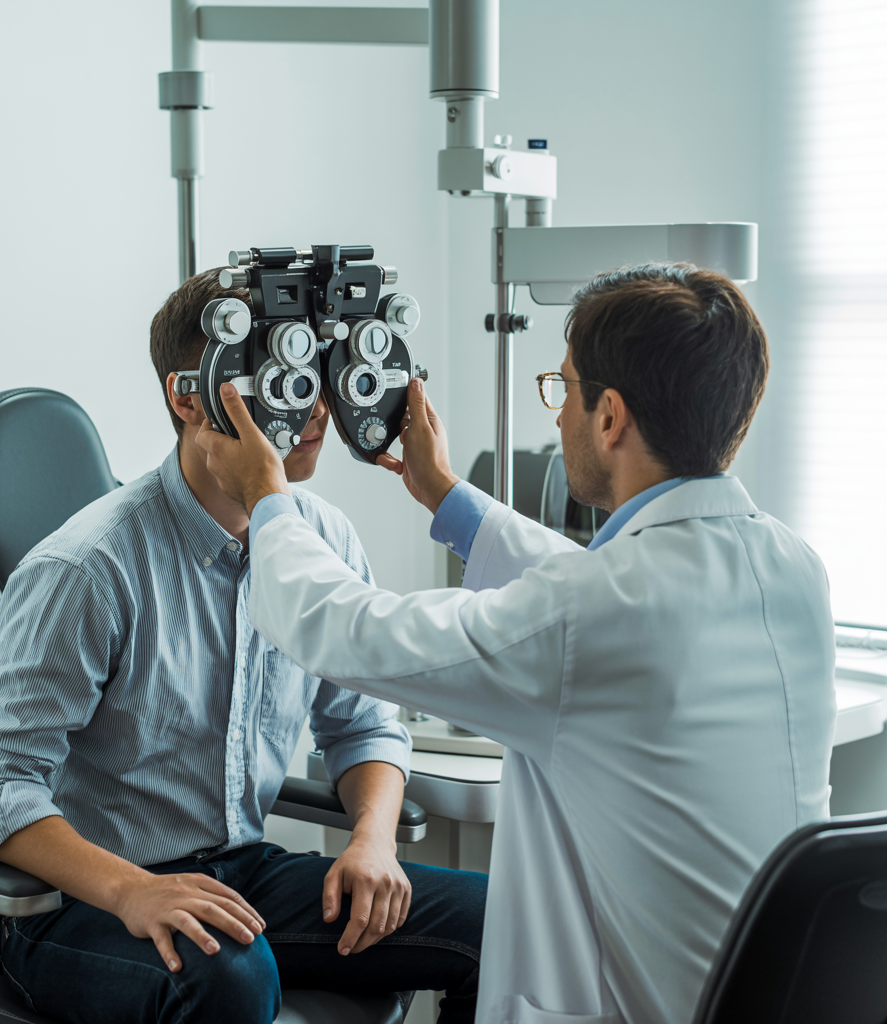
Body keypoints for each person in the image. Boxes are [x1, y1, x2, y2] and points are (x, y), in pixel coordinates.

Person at [195, 263, 838, 1024]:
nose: (558, 417)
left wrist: (268, 497)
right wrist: (446, 497)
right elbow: (601, 591)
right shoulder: (793, 568)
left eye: (562, 389)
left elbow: (346, 629)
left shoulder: (592, 611)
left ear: (611, 418)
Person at [0, 268, 487, 1024]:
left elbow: (363, 725)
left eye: (309, 377)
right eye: (269, 382)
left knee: (497, 921)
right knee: (227, 973)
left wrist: (373, 842)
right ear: (187, 396)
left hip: (240, 875)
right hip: (81, 905)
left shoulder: (323, 537)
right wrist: (133, 891)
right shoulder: (89, 567)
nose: (311, 411)